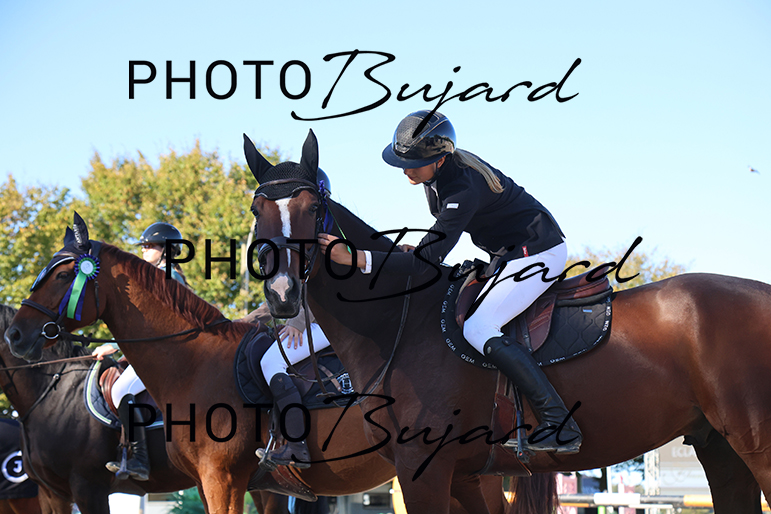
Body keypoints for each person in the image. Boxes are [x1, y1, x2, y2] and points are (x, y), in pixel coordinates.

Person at [318, 110, 582, 454]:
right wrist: (420, 250)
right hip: (509, 254)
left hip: (538, 253)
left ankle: (559, 422)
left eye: (413, 163)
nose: (406, 170)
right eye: (402, 162)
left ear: (440, 159)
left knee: (479, 327)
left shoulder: (462, 187)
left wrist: (355, 258)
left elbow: (424, 263)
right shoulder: (439, 177)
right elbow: (430, 250)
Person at [92, 221, 189, 480]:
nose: (144, 249)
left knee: (120, 390)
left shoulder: (168, 277)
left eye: (150, 245)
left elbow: (153, 324)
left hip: (166, 353)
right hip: (151, 350)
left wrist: (114, 346)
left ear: (167, 250)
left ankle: (140, 459)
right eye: (143, 245)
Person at [256, 304, 331, 468]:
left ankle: (297, 448)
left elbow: (315, 294)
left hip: (328, 319)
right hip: (319, 317)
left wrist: (297, 323)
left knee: (271, 362)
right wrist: (245, 321)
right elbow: (282, 301)